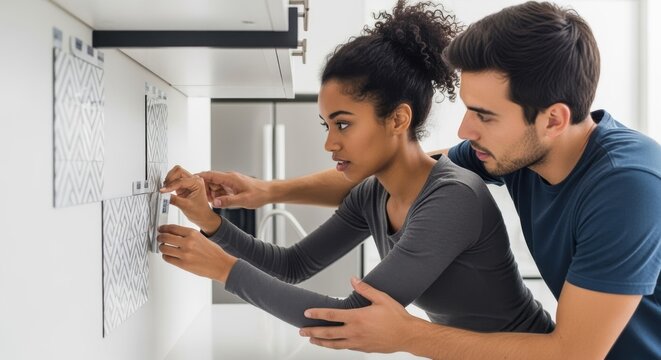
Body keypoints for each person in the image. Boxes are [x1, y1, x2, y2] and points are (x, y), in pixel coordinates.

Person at [197, 1, 661, 359]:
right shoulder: (509, 150)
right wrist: (265, 191)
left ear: (553, 120)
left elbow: (574, 353)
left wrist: (408, 334)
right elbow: (397, 172)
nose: (464, 131)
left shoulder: (629, 187)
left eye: (484, 115)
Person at [158, 0, 555, 335]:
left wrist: (225, 270)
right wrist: (210, 223)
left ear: (398, 120)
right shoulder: (373, 194)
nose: (330, 142)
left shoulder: (452, 198)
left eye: (343, 123)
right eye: (327, 125)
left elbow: (351, 317)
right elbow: (293, 265)